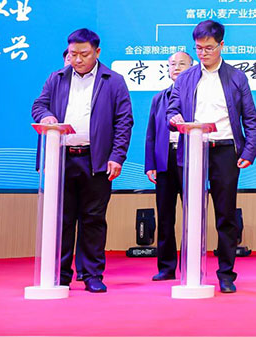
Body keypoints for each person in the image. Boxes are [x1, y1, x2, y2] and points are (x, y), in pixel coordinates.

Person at [32, 28, 133, 293]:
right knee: (63, 219)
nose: (77, 59)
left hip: (96, 160)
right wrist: (46, 117)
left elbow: (124, 121)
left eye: (84, 54)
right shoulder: (57, 78)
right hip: (62, 159)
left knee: (93, 219)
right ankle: (61, 274)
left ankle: (92, 274)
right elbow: (39, 105)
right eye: (73, 53)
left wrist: (117, 156)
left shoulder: (113, 81)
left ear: (97, 52)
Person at [168, 20, 256, 294]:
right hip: (194, 150)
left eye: (209, 48)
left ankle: (226, 274)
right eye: (198, 48)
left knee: (225, 215)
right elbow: (172, 108)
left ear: (222, 45)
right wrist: (174, 118)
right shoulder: (186, 77)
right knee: (192, 212)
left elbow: (250, 119)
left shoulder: (236, 77)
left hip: (225, 151)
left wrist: (248, 151)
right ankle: (192, 270)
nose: (203, 53)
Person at [144, 50, 193, 281]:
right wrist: (150, 164)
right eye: (172, 64)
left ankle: (191, 265)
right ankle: (166, 267)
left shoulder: (197, 95)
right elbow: (151, 134)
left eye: (182, 64)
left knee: (192, 215)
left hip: (189, 160)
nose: (176, 68)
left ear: (192, 68)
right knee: (165, 216)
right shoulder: (159, 98)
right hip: (165, 160)